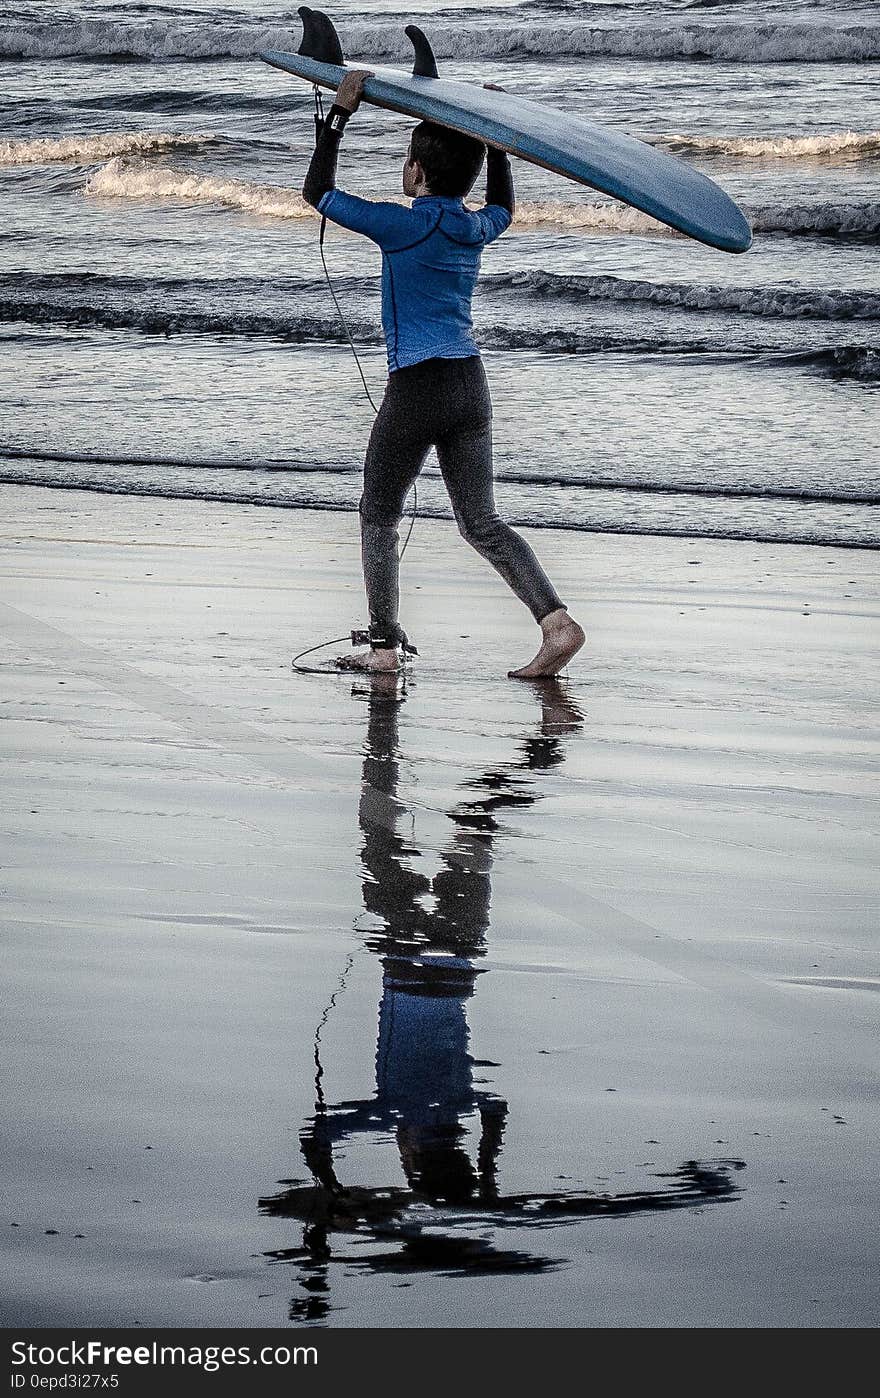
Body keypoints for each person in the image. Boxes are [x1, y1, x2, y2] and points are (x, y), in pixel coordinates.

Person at [302, 69, 585, 678]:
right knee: (480, 521)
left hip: (416, 388)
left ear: (417, 175)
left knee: (378, 513)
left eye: (408, 160)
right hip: (470, 385)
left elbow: (319, 193)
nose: (405, 168)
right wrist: (501, 147)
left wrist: (338, 116)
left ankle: (382, 648)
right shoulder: (472, 227)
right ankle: (556, 623)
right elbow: (504, 206)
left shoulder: (401, 224)